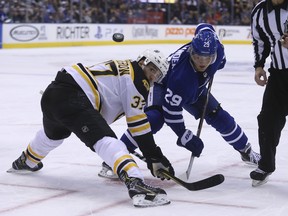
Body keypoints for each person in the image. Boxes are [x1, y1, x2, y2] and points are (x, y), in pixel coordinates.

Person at [7, 49, 175, 208]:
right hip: (74, 97)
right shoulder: (138, 81)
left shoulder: (127, 68)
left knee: (54, 135)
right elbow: (138, 126)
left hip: (54, 93)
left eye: (157, 74)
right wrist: (154, 156)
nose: (153, 76)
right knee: (105, 140)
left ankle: (26, 161)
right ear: (143, 62)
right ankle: (136, 183)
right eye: (152, 69)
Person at [99, 23, 261, 179]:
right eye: (197, 57)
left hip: (195, 89)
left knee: (221, 118)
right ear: (191, 51)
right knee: (153, 120)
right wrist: (185, 137)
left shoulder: (217, 48)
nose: (202, 62)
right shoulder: (181, 77)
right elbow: (171, 113)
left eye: (208, 58)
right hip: (164, 86)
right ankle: (112, 159)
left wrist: (218, 60)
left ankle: (246, 151)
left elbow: (204, 26)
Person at [249, 0, 288, 187]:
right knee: (267, 120)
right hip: (278, 76)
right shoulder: (259, 11)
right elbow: (259, 40)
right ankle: (265, 165)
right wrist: (258, 66)